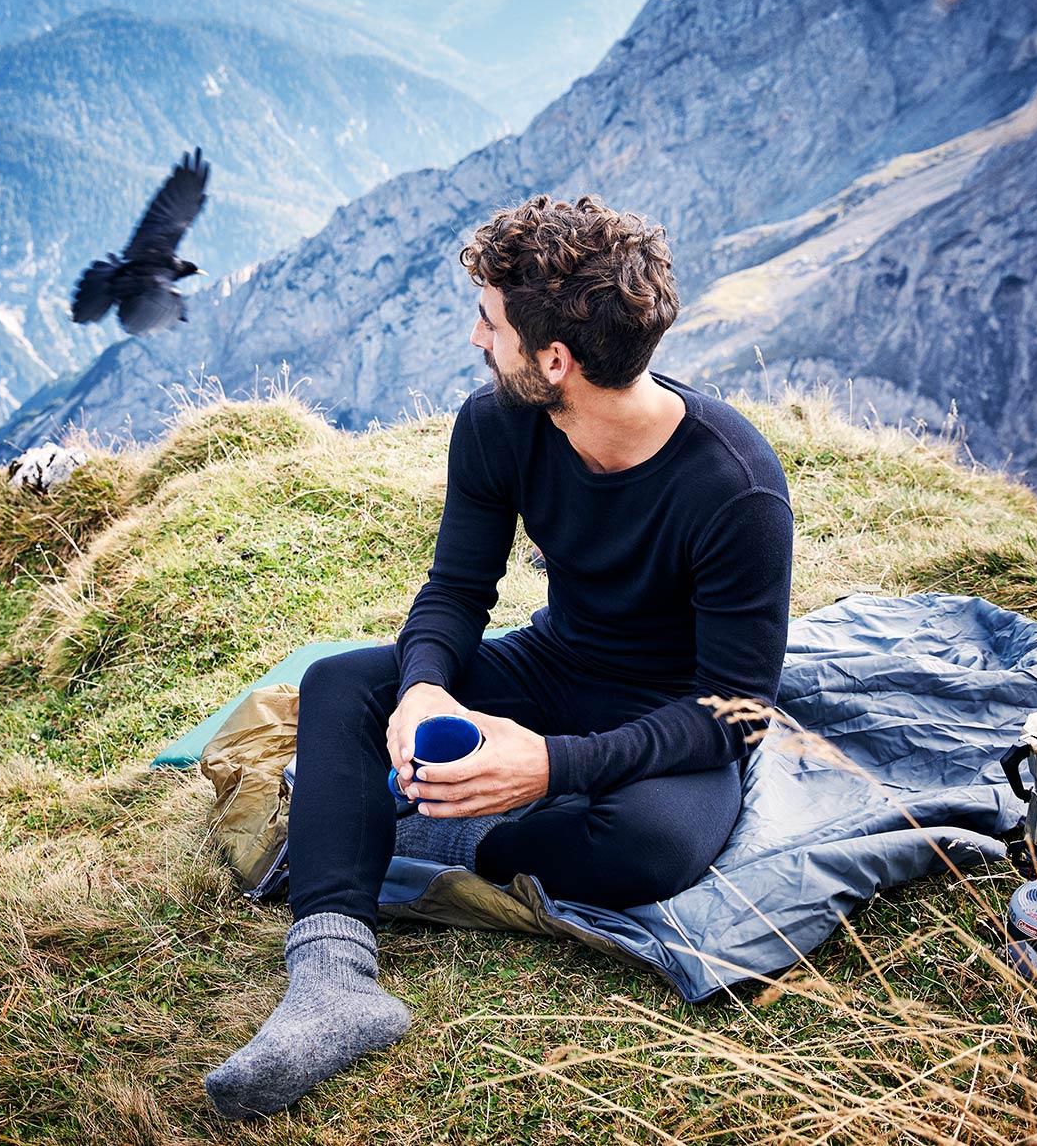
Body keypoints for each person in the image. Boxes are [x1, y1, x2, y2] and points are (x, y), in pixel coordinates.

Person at [205, 194, 794, 1118]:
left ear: (554, 359)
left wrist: (548, 765)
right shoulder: (497, 423)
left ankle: (426, 826)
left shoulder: (737, 490)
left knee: (648, 846)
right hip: (555, 666)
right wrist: (424, 687)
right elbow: (455, 590)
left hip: (670, 715)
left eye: (490, 323)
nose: (478, 338)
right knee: (342, 684)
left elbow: (737, 714)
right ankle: (332, 981)